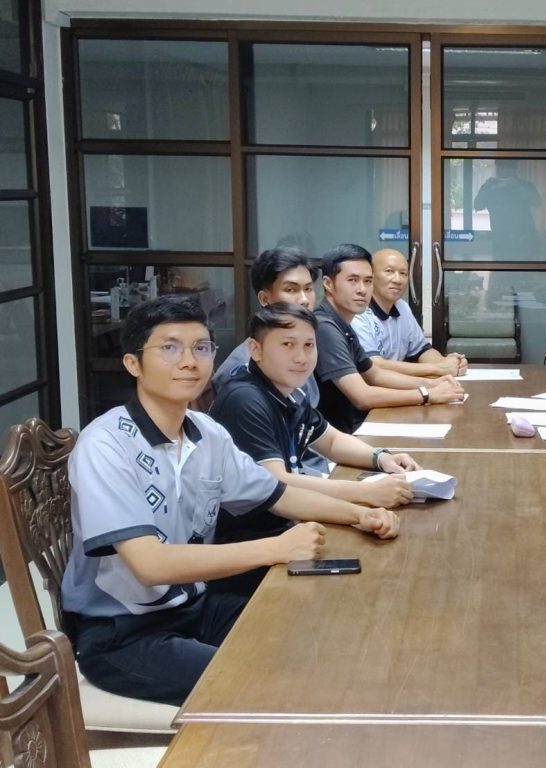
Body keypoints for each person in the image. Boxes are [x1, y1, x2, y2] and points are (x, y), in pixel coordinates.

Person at [60, 297, 398, 706]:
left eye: (201, 347)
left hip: (196, 605)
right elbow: (150, 565)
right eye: (170, 348)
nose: (190, 361)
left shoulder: (206, 432)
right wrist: (277, 548)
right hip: (123, 632)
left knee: (319, 635)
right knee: (267, 686)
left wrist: (361, 515)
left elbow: (279, 495)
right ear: (133, 363)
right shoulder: (106, 444)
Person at [209, 303, 419, 596]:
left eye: (309, 345)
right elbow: (278, 483)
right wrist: (367, 494)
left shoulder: (287, 391)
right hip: (250, 551)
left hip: (291, 528)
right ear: (256, 350)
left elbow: (331, 441)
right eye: (287, 345)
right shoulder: (244, 399)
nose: (301, 357)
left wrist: (381, 458)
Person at [314, 244, 465, 433]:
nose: (362, 289)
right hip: (336, 435)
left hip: (352, 426)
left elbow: (376, 374)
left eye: (367, 281)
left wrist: (435, 384)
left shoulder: (343, 323)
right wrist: (427, 393)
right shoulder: (325, 327)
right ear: (328, 284)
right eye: (352, 280)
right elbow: (362, 397)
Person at [211, 246, 328, 474]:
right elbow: (274, 479)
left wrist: (379, 457)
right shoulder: (243, 372)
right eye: (291, 290)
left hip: (307, 467)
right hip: (287, 478)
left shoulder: (298, 351)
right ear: (265, 299)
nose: (304, 300)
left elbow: (322, 435)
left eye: (308, 289)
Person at [350, 247, 468, 378]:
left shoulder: (402, 307)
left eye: (403, 273)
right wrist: (438, 368)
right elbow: (374, 365)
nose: (398, 280)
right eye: (389, 271)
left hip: (396, 384)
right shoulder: (357, 312)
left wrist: (449, 363)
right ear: (370, 276)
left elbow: (422, 351)